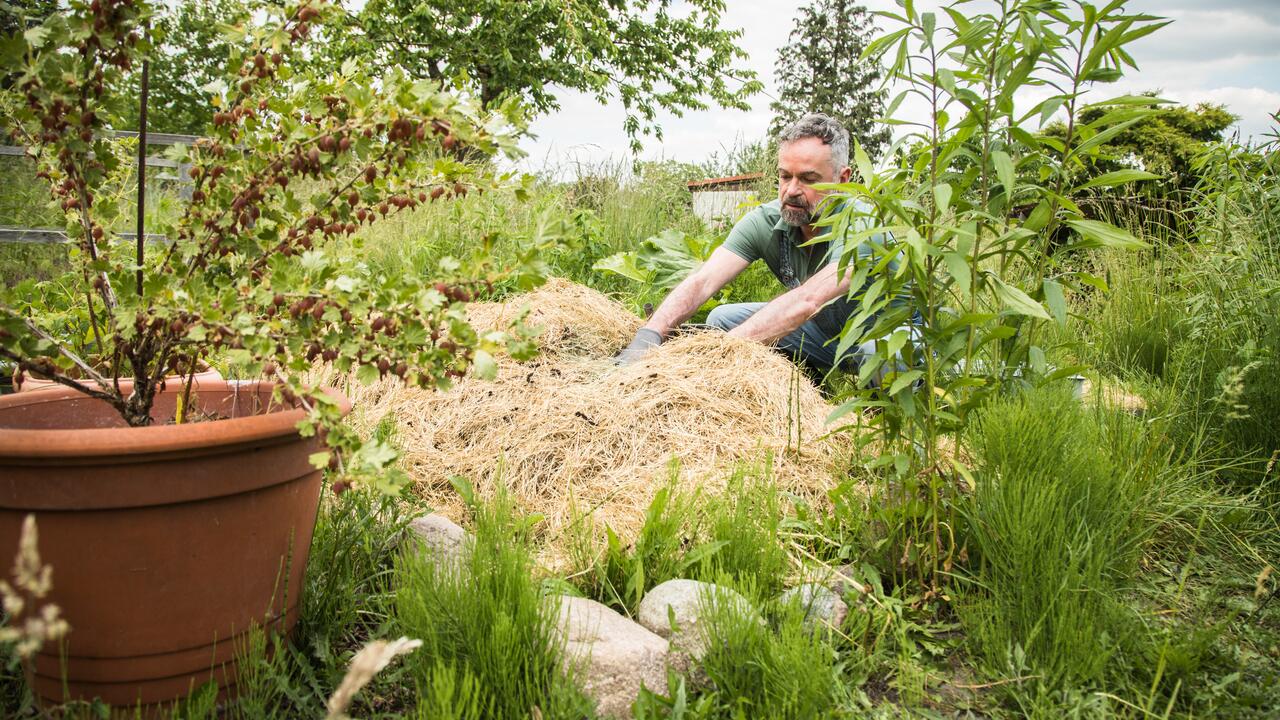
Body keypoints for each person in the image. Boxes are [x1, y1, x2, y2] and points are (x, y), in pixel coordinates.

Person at [614, 113, 897, 378]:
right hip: (825, 337)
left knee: (880, 352)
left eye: (809, 179)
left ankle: (883, 416)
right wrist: (650, 335)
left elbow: (808, 300)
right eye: (785, 176)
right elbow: (703, 281)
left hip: (890, 338)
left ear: (843, 180)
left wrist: (715, 352)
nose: (792, 190)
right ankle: (805, 394)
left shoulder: (864, 223)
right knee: (722, 318)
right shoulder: (768, 219)